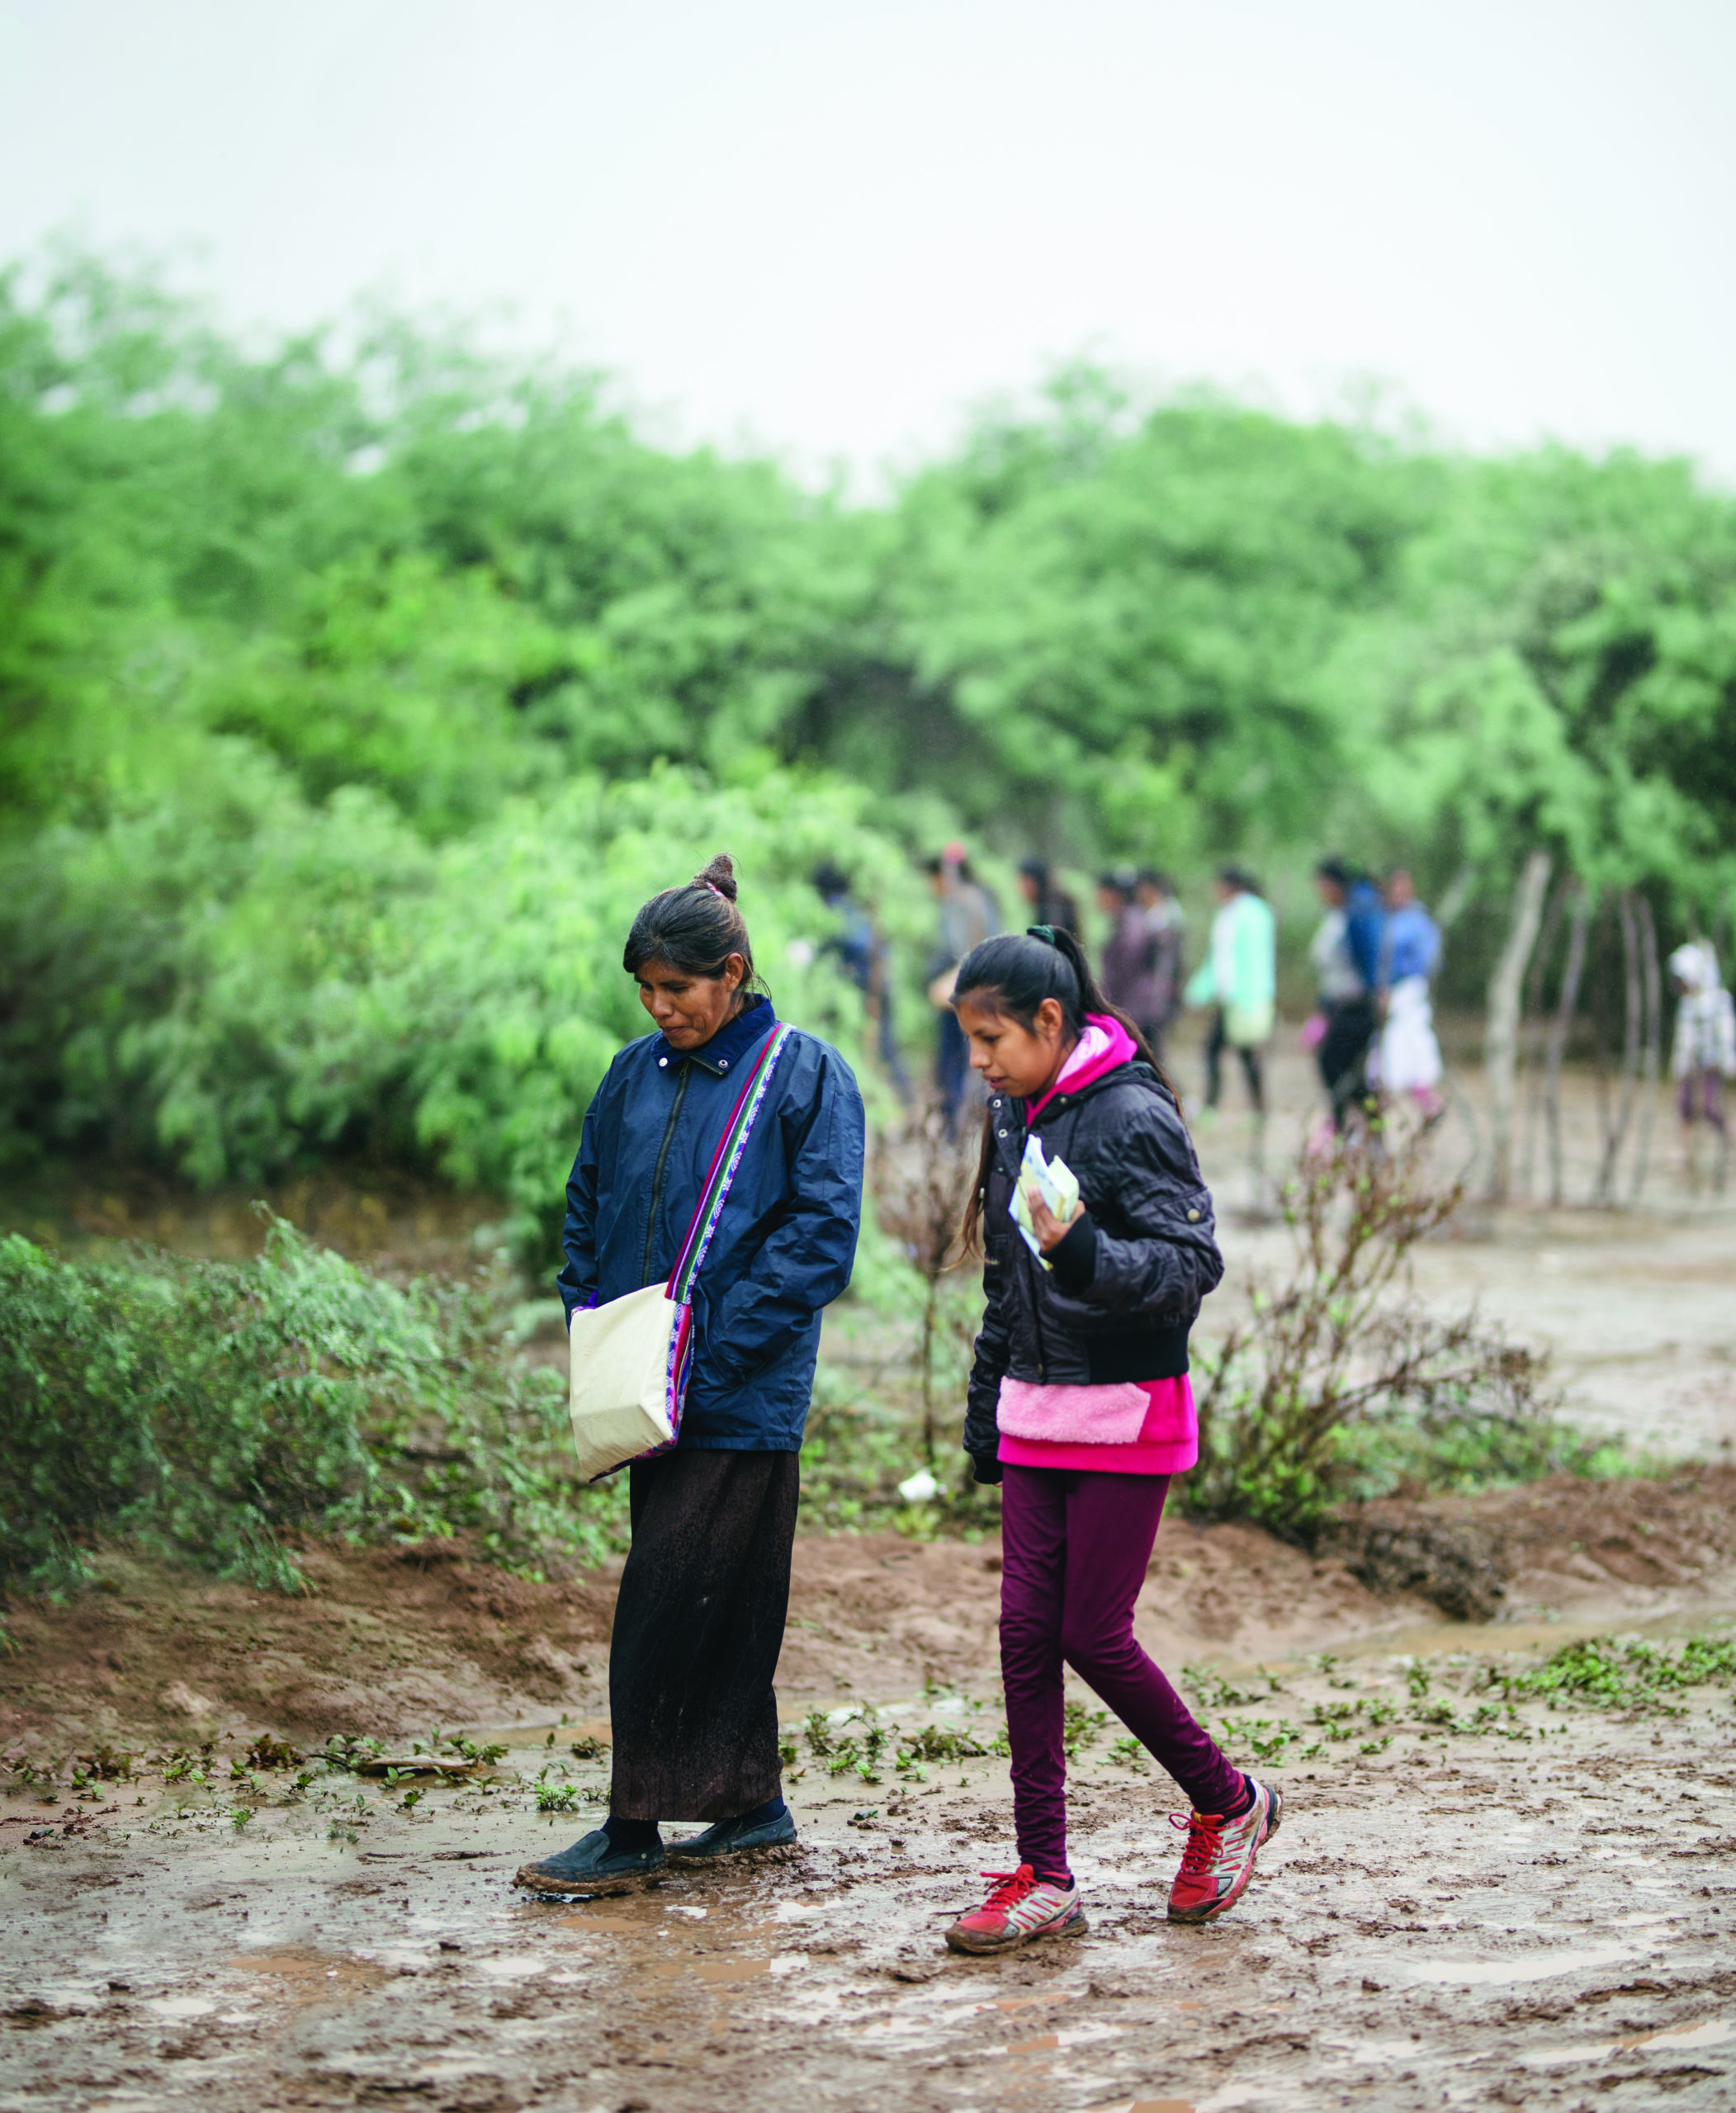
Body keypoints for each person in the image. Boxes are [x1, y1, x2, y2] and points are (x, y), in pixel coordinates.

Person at [516, 853, 865, 1896]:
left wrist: (705, 1343)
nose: (661, 1008)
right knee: (722, 1593)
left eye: (678, 989)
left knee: (667, 1596)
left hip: (738, 1391)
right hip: (643, 1385)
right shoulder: (632, 1072)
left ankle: (631, 1827)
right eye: (647, 992)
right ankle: (751, 1804)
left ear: (735, 973)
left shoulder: (805, 1075)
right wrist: (594, 1306)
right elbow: (586, 1199)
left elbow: (821, 1237)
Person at [944, 924, 1280, 1955]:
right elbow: (1007, 1271)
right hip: (1036, 1409)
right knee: (1020, 1638)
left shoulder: (1132, 1112)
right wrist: (984, 1395)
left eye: (992, 1038)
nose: (980, 1062)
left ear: (1052, 1021)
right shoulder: (1012, 1111)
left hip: (1128, 1408)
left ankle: (1228, 1801)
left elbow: (1189, 1267)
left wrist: (1087, 1255)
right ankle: (1045, 1872)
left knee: (1092, 1632)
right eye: (968, 1040)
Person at [811, 860, 911, 1102]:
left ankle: (902, 1102)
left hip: (867, 988)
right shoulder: (854, 907)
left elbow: (857, 943)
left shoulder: (837, 908)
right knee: (884, 1047)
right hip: (875, 985)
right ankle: (904, 1101)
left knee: (880, 1046)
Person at [1184, 867, 1275, 1116]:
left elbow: (1235, 961)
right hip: (1239, 999)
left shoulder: (1242, 915)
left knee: (1223, 1052)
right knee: (1235, 1053)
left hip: (1241, 1000)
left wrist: (1199, 993)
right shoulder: (1244, 913)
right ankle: (1254, 1107)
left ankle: (1222, 1107)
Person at [925, 844, 1000, 1132]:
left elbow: (973, 950)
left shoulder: (966, 901)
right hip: (959, 994)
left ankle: (960, 1122)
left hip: (965, 995)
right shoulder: (971, 899)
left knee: (960, 1060)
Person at [1307, 858, 1384, 1131]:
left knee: (1335, 1064)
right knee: (1345, 1070)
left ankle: (1349, 1127)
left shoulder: (1358, 912)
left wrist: (1377, 993)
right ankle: (1356, 1128)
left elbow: (1370, 958)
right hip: (1338, 1005)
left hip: (1357, 1006)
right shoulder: (1339, 914)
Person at [1369, 867, 1444, 1118]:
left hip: (1407, 993)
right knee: (1386, 1060)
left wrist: (1396, 985)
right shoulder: (1384, 919)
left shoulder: (1417, 922)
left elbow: (1427, 961)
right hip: (1389, 994)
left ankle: (1428, 1108)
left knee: (1402, 1056)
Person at [1669, 939, 1736, 1192]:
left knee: (1710, 1107)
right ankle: (1685, 1151)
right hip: (1691, 1064)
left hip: (1712, 1064)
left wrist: (1728, 1062)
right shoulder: (1688, 1003)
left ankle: (1728, 1142)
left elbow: (1726, 1032)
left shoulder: (1719, 1000)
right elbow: (1683, 1037)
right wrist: (1679, 1065)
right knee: (1685, 1105)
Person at [1134, 869, 1186, 1062]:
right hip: (1151, 991)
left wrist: (1165, 989)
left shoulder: (1168, 914)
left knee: (1155, 1047)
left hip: (1160, 990)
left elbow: (1170, 959)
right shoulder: (1148, 913)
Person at [1017, 855, 1081, 936]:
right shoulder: (1046, 905)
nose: (1020, 887)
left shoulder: (1053, 909)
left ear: (1035, 881)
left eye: (1024, 882)